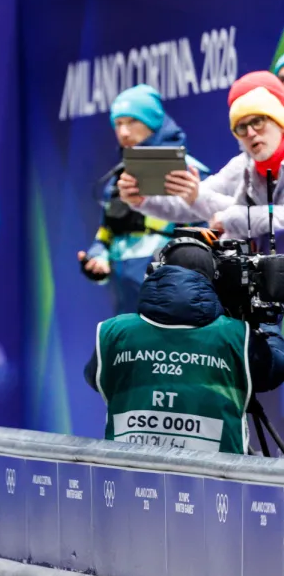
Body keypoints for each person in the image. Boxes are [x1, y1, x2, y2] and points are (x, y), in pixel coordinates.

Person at [84, 235, 284, 454]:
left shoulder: (113, 332)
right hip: (217, 479)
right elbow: (274, 369)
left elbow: (95, 378)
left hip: (130, 473)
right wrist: (268, 320)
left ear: (155, 272)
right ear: (211, 280)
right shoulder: (236, 336)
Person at [78, 84, 209, 315]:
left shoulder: (190, 172)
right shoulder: (118, 179)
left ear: (154, 122)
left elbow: (209, 234)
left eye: (132, 121)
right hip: (125, 298)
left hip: (173, 298)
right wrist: (98, 258)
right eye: (118, 123)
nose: (124, 132)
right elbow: (106, 233)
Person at [118, 72, 284, 250]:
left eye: (258, 120)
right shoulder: (244, 165)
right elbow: (189, 202)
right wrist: (143, 199)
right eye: (242, 125)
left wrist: (234, 217)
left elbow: (233, 211)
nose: (251, 132)